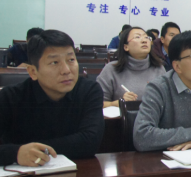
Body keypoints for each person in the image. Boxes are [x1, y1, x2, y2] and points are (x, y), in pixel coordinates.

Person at [0, 30, 104, 166]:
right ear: (33, 72)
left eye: (71, 60)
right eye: (54, 62)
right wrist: (16, 153)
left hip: (77, 174)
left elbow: (90, 142)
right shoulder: (10, 97)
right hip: (22, 175)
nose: (66, 70)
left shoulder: (89, 91)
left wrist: (35, 150)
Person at [97, 27, 166, 108]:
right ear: (126, 47)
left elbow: (168, 102)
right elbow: (97, 103)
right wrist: (119, 103)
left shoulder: (159, 69)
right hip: (120, 116)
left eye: (146, 37)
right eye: (137, 37)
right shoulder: (111, 69)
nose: (144, 40)